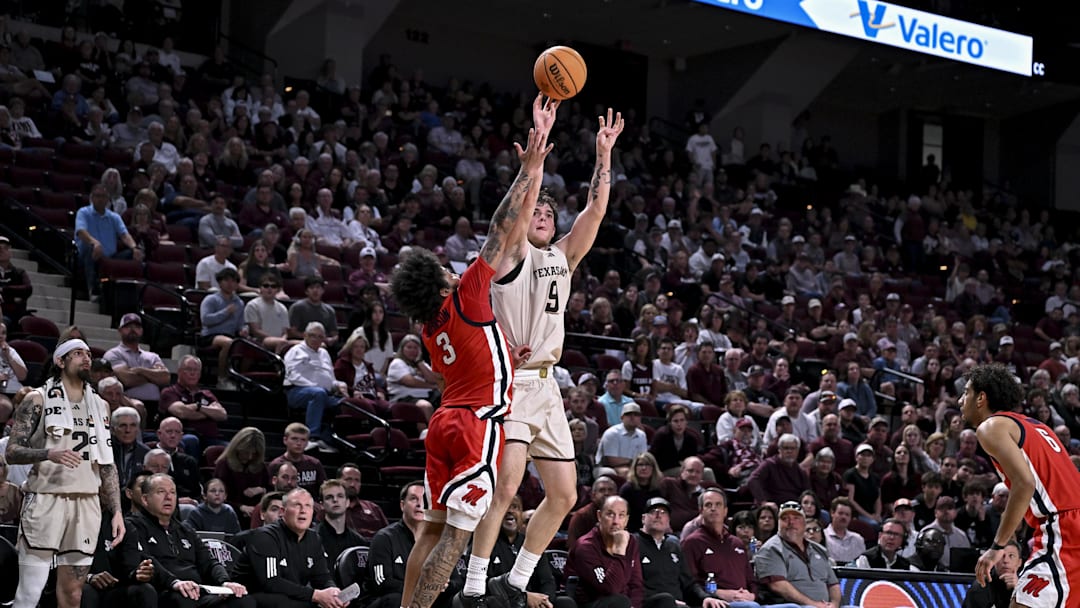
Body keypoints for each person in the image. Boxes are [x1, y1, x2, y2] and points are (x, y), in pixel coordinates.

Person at [463, 101, 623, 608]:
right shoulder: (512, 254)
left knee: (565, 495)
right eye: (535, 211)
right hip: (510, 383)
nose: (543, 217)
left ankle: (515, 581)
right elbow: (508, 218)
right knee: (506, 486)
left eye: (549, 213)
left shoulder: (563, 256)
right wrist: (532, 165)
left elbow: (595, 210)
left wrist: (603, 156)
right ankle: (473, 586)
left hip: (549, 385)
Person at [392, 111, 554, 608]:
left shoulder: (429, 324)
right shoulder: (465, 292)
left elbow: (462, 363)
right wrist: (529, 169)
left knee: (429, 530)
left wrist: (506, 354)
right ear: (441, 281)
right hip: (475, 424)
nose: (449, 266)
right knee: (456, 539)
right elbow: (503, 229)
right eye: (443, 267)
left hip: (443, 420)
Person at [5, 339, 124, 608]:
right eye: (78, 354)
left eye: (89, 354)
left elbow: (107, 463)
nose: (86, 359)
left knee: (73, 595)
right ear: (60, 361)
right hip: (46, 498)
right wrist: (48, 453)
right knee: (30, 592)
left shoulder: (101, 406)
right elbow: (11, 452)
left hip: (87, 503)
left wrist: (116, 510)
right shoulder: (38, 398)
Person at [963, 363, 1080, 606]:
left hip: (1063, 528)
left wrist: (998, 547)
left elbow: (1024, 483)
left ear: (981, 398)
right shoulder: (1037, 425)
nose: (960, 400)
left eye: (966, 392)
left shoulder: (990, 427)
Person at [120, 474, 252, 607]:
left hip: (198, 590)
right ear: (145, 499)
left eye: (172, 492)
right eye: (161, 492)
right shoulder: (133, 526)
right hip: (166, 590)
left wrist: (225, 582)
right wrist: (174, 582)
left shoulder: (186, 529)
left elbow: (208, 562)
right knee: (183, 600)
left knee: (243, 601)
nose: (168, 497)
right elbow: (146, 560)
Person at [243, 488, 345, 608]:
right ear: (282, 511)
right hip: (253, 597)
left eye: (308, 506)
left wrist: (333, 592)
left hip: (291, 597)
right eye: (297, 505)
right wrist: (315, 595)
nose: (303, 511)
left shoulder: (314, 539)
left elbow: (322, 576)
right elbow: (271, 582)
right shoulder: (266, 536)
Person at [681, 488, 774, 608]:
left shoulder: (737, 543)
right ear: (701, 511)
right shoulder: (692, 543)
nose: (713, 508)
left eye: (718, 504)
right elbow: (690, 584)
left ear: (725, 511)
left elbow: (752, 581)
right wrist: (717, 593)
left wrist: (752, 595)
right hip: (718, 603)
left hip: (747, 601)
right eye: (708, 505)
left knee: (794, 607)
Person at [636, 496, 724, 608]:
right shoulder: (633, 543)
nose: (658, 515)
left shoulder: (674, 544)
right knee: (667, 601)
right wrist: (670, 601)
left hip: (679, 604)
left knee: (720, 605)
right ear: (643, 518)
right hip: (651, 603)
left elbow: (689, 583)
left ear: (668, 521)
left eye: (663, 512)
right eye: (653, 511)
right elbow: (633, 585)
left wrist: (705, 597)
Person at [754, 501, 841, 608]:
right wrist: (814, 605)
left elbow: (833, 584)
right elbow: (778, 586)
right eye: (785, 519)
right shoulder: (770, 549)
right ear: (778, 523)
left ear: (804, 523)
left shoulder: (818, 550)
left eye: (796, 518)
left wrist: (834, 605)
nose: (791, 522)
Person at [565, 496, 643, 608]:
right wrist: (619, 551)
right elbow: (609, 588)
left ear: (626, 520)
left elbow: (636, 584)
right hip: (592, 603)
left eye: (621, 515)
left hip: (624, 603)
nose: (616, 521)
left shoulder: (631, 542)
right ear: (599, 516)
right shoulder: (586, 546)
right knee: (619, 601)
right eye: (610, 514)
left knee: (664, 599)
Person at [283, 322, 345, 452]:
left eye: (320, 337)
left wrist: (339, 385)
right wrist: (316, 386)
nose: (316, 339)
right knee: (318, 393)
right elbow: (293, 376)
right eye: (312, 336)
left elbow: (331, 379)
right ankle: (312, 438)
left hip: (323, 392)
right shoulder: (295, 351)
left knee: (344, 403)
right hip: (296, 391)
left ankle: (326, 439)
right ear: (305, 335)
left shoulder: (324, 353)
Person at [76, 183, 145, 297]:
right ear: (92, 198)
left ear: (107, 199)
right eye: (97, 196)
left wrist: (134, 247)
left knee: (132, 253)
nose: (100, 199)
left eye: (103, 196)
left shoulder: (114, 217)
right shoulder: (83, 212)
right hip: (87, 254)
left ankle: (131, 295)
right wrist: (95, 242)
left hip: (109, 256)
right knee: (89, 248)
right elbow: (81, 232)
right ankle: (92, 291)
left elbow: (124, 235)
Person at [368, 481, 427, 608]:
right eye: (413, 499)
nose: (419, 504)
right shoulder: (384, 538)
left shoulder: (435, 540)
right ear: (402, 505)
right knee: (396, 599)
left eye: (424, 500)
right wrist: (422, 588)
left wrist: (444, 585)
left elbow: (456, 580)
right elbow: (381, 582)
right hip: (389, 601)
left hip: (426, 598)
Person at [159, 355, 228, 456]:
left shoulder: (206, 394)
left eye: (196, 370)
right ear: (179, 371)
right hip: (185, 436)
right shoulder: (170, 392)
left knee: (232, 447)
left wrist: (198, 407)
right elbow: (182, 412)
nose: (192, 373)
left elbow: (222, 414)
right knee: (191, 440)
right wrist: (209, 413)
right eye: (188, 369)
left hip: (211, 438)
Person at [103, 312, 170, 404]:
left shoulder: (153, 356)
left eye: (136, 327)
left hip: (155, 404)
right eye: (128, 327)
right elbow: (127, 380)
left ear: (141, 331)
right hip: (127, 404)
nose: (132, 330)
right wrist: (153, 376)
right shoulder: (113, 354)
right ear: (120, 330)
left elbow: (165, 378)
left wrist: (140, 370)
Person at [317, 479, 367, 569]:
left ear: (347, 502)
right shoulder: (312, 539)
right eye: (329, 497)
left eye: (340, 496)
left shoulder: (359, 542)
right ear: (322, 505)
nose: (335, 500)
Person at [269, 422, 328, 495]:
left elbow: (324, 490)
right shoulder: (275, 465)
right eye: (294, 439)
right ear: (285, 440)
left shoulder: (315, 464)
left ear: (307, 443)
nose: (299, 443)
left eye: (303, 440)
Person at [595, 403, 649, 479]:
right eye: (628, 414)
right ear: (622, 417)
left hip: (632, 466)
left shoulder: (642, 435)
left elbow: (644, 458)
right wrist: (633, 461)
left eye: (636, 415)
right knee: (626, 472)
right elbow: (612, 461)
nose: (632, 417)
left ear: (640, 418)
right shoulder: (612, 433)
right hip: (606, 467)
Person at [962, 540, 1021, 608]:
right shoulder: (980, 587)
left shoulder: (1027, 585)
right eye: (1002, 556)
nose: (1006, 561)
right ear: (994, 560)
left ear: (1019, 562)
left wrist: (1018, 591)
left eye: (1011, 556)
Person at [338, 463, 389, 538]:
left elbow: (388, 535)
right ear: (338, 481)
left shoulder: (373, 508)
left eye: (357, 480)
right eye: (348, 479)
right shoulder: (330, 508)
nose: (352, 484)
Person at [568, 476, 619, 548]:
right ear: (593, 495)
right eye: (602, 490)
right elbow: (573, 546)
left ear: (616, 494)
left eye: (610, 490)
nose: (607, 493)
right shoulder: (581, 516)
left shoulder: (620, 514)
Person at [823, 497, 865, 565]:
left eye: (847, 515)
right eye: (840, 513)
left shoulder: (858, 539)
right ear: (832, 513)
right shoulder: (823, 536)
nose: (844, 517)